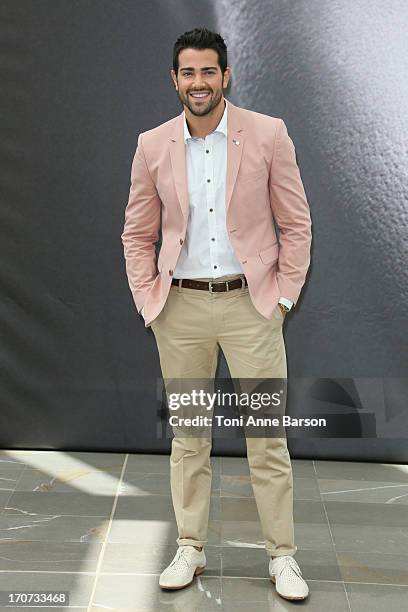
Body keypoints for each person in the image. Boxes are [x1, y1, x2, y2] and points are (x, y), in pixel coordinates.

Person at [121, 27, 312, 602]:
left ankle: (282, 557)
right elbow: (137, 231)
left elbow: (296, 224)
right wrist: (149, 299)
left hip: (251, 307)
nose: (198, 82)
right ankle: (190, 546)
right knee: (188, 437)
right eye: (188, 73)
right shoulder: (153, 144)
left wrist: (282, 300)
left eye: (209, 72)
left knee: (266, 438)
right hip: (179, 309)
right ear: (175, 80)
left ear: (226, 76)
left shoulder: (268, 134)